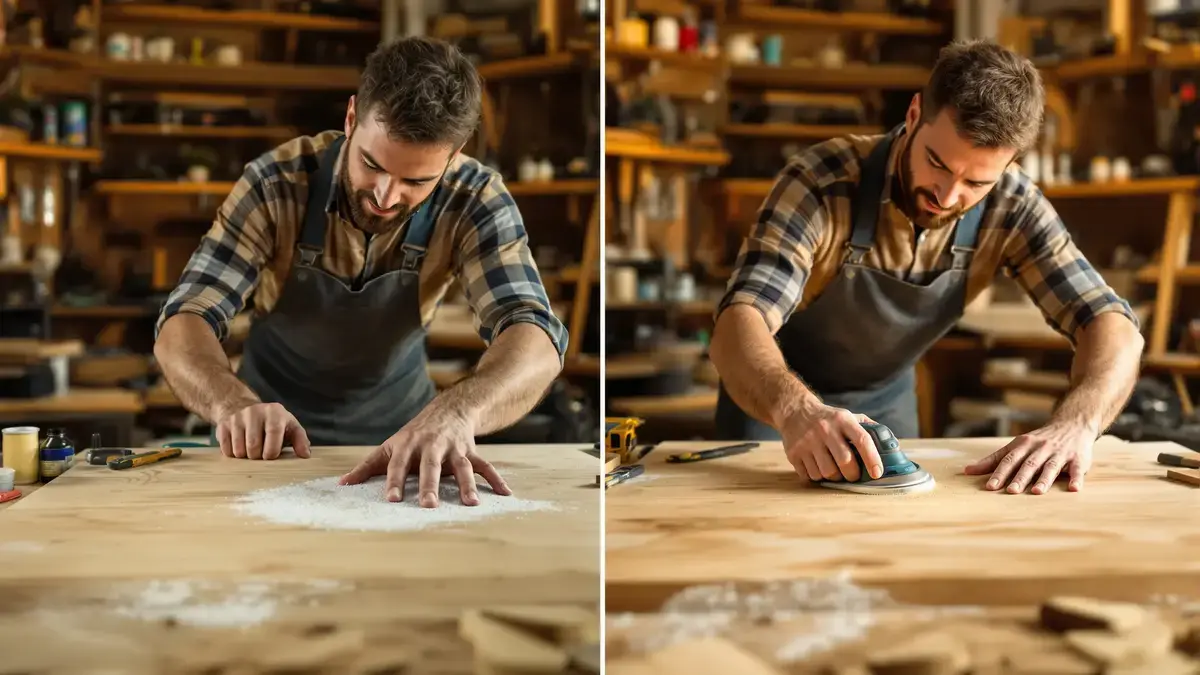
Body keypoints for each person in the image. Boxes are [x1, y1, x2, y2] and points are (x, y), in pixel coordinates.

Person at [709, 39, 1144, 496]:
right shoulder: (823, 181)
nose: (947, 195)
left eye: (976, 181)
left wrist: (1078, 423)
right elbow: (739, 320)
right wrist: (796, 410)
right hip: (774, 405)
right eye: (937, 162)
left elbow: (1112, 325)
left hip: (884, 412)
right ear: (914, 115)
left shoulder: (1013, 204)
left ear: (1009, 163)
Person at [154, 37, 567, 508]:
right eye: (371, 164)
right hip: (267, 447)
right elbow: (185, 318)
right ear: (351, 118)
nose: (385, 197)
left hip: (403, 448)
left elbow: (534, 335)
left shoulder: (475, 198)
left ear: (454, 156)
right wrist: (233, 405)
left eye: (416, 181)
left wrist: (459, 413)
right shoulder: (276, 183)